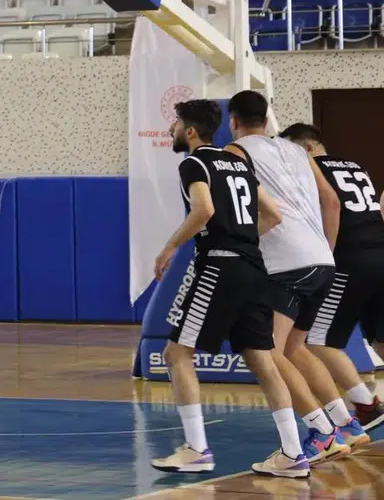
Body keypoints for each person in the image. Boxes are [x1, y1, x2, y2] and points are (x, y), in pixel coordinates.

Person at [151, 99, 309, 478]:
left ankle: (196, 450)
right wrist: (241, 237)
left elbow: (203, 210)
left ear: (191, 131)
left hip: (219, 264)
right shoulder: (238, 162)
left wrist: (169, 247)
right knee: (261, 359)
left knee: (176, 354)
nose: (171, 130)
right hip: (253, 267)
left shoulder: (194, 163)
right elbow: (273, 214)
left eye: (176, 124)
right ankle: (293, 454)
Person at [225, 90, 369, 462]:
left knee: (268, 353)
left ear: (233, 120)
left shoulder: (235, 153)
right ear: (267, 117)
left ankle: (321, 432)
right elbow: (331, 201)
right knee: (295, 348)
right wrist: (326, 251)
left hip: (284, 262)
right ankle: (347, 424)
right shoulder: (299, 151)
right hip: (322, 259)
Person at [279, 122, 384, 432]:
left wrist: (327, 250)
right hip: (379, 252)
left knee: (317, 339)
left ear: (308, 148)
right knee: (379, 338)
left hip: (350, 258)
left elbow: (333, 204)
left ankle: (366, 406)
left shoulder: (313, 169)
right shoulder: (354, 166)